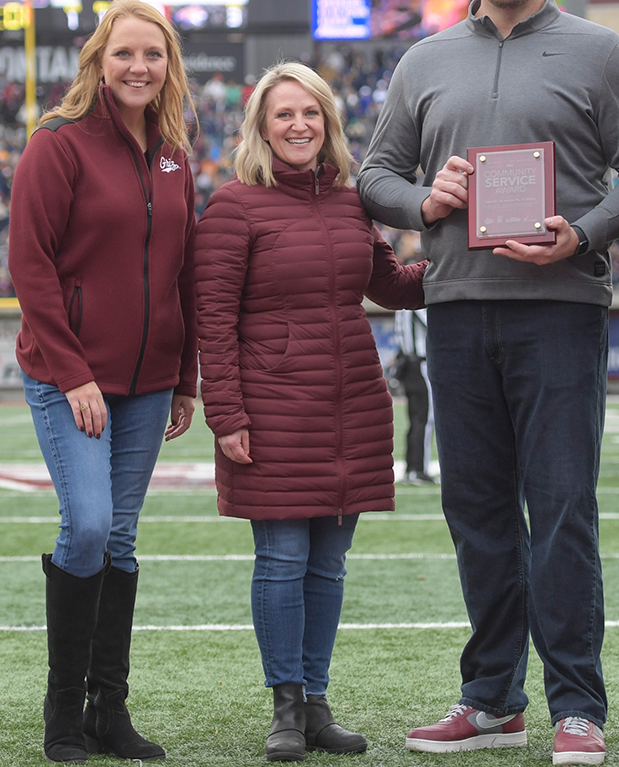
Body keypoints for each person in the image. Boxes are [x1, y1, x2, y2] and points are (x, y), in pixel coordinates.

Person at [357, 0, 619, 763]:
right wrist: (423, 200)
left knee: (560, 507)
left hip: (558, 309)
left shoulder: (599, 51)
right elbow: (374, 173)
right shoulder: (425, 58)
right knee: (474, 507)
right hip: (456, 307)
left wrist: (584, 233)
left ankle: (577, 705)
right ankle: (490, 699)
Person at [195, 61, 426, 763]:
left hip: (352, 400)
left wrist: (468, 254)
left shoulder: (354, 202)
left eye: (311, 114)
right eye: (284, 114)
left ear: (328, 124)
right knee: (283, 558)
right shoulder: (235, 206)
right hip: (271, 406)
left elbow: (391, 286)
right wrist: (226, 413)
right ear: (262, 127)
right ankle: (286, 706)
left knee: (329, 565)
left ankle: (319, 703)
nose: (299, 125)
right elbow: (212, 317)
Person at [7, 0, 198, 763]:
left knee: (120, 535)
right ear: (99, 59)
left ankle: (106, 710)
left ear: (169, 65)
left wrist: (186, 376)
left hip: (152, 382)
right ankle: (62, 711)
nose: (138, 67)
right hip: (69, 377)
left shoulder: (176, 151)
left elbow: (181, 272)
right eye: (124, 53)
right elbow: (30, 266)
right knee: (87, 526)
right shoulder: (57, 144)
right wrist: (74, 372)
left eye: (152, 55)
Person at [395, 307, 437, 484]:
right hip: (419, 364)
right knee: (424, 419)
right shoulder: (414, 305)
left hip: (408, 364)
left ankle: (412, 468)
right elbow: (433, 324)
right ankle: (418, 469)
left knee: (417, 419)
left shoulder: (400, 306)